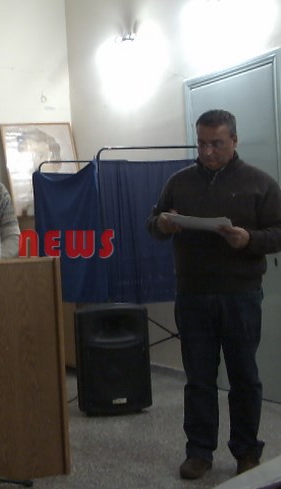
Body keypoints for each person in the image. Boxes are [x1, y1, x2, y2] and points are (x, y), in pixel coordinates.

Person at [147, 109, 281, 480]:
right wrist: (162, 224)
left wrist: (250, 239)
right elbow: (153, 223)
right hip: (192, 295)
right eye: (202, 143)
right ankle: (199, 452)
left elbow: (278, 231)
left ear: (234, 141)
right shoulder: (179, 182)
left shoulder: (260, 183)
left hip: (241, 295)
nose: (207, 151)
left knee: (244, 377)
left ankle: (246, 451)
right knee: (199, 379)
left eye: (216, 144)